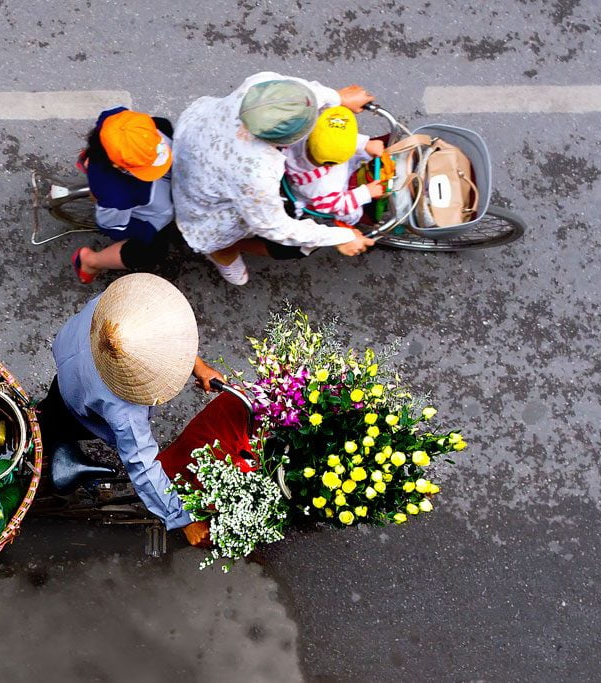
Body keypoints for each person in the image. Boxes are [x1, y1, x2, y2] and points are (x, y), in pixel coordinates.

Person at [39, 273, 223, 546]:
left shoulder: (110, 309)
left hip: (68, 372)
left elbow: (161, 335)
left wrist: (199, 367)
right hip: (77, 411)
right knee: (53, 429)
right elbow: (141, 464)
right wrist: (183, 518)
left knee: (49, 412)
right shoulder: (124, 410)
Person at [172, 72, 377, 285]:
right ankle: (223, 253)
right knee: (227, 236)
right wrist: (341, 237)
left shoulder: (260, 84)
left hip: (196, 129)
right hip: (201, 196)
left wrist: (336, 98)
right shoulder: (257, 172)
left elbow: (296, 92)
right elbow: (274, 227)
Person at [71, 108, 175, 284]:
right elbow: (111, 227)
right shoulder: (117, 196)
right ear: (119, 167)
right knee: (153, 250)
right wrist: (147, 231)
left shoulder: (115, 122)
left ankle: (90, 161)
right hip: (135, 196)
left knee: (163, 124)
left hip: (105, 158)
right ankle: (90, 261)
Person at [282, 105, 386, 225]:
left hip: (329, 168)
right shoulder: (321, 187)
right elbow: (336, 204)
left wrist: (364, 144)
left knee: (366, 153)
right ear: (332, 164)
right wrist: (366, 193)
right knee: (353, 214)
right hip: (327, 199)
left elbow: (333, 136)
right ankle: (358, 223)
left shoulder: (306, 135)